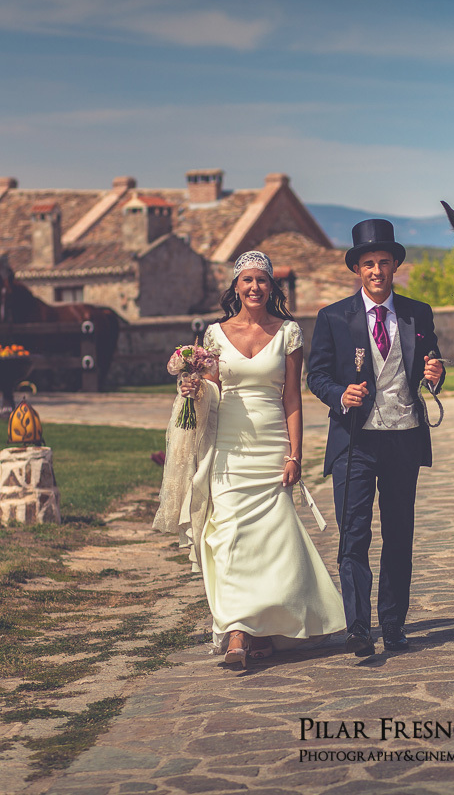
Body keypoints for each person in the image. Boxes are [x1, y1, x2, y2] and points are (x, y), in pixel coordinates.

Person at [177, 250, 345, 668]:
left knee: (270, 542)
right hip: (229, 446)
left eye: (262, 280)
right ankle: (237, 630)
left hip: (271, 445)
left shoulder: (289, 333)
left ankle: (265, 628)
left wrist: (294, 454)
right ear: (235, 286)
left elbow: (292, 397)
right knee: (228, 536)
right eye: (247, 280)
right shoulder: (214, 335)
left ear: (272, 287)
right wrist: (193, 388)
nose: (254, 287)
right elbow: (212, 391)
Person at [307, 219, 445, 656]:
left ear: (395, 266)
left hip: (403, 438)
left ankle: (393, 623)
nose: (377, 271)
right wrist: (339, 395)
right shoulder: (332, 317)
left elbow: (430, 365)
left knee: (400, 534)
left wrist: (435, 375)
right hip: (355, 441)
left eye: (385, 263)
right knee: (354, 535)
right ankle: (358, 628)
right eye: (369, 264)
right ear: (358, 269)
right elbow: (318, 375)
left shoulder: (417, 313)